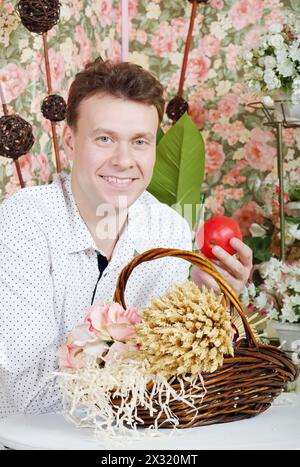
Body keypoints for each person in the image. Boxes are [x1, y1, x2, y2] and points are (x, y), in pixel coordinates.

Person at [0, 58, 252, 419]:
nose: (124, 160)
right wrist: (144, 362)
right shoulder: (26, 221)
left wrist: (210, 305)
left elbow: (178, 378)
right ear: (70, 142)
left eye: (139, 142)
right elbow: (30, 396)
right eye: (105, 139)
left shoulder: (169, 229)